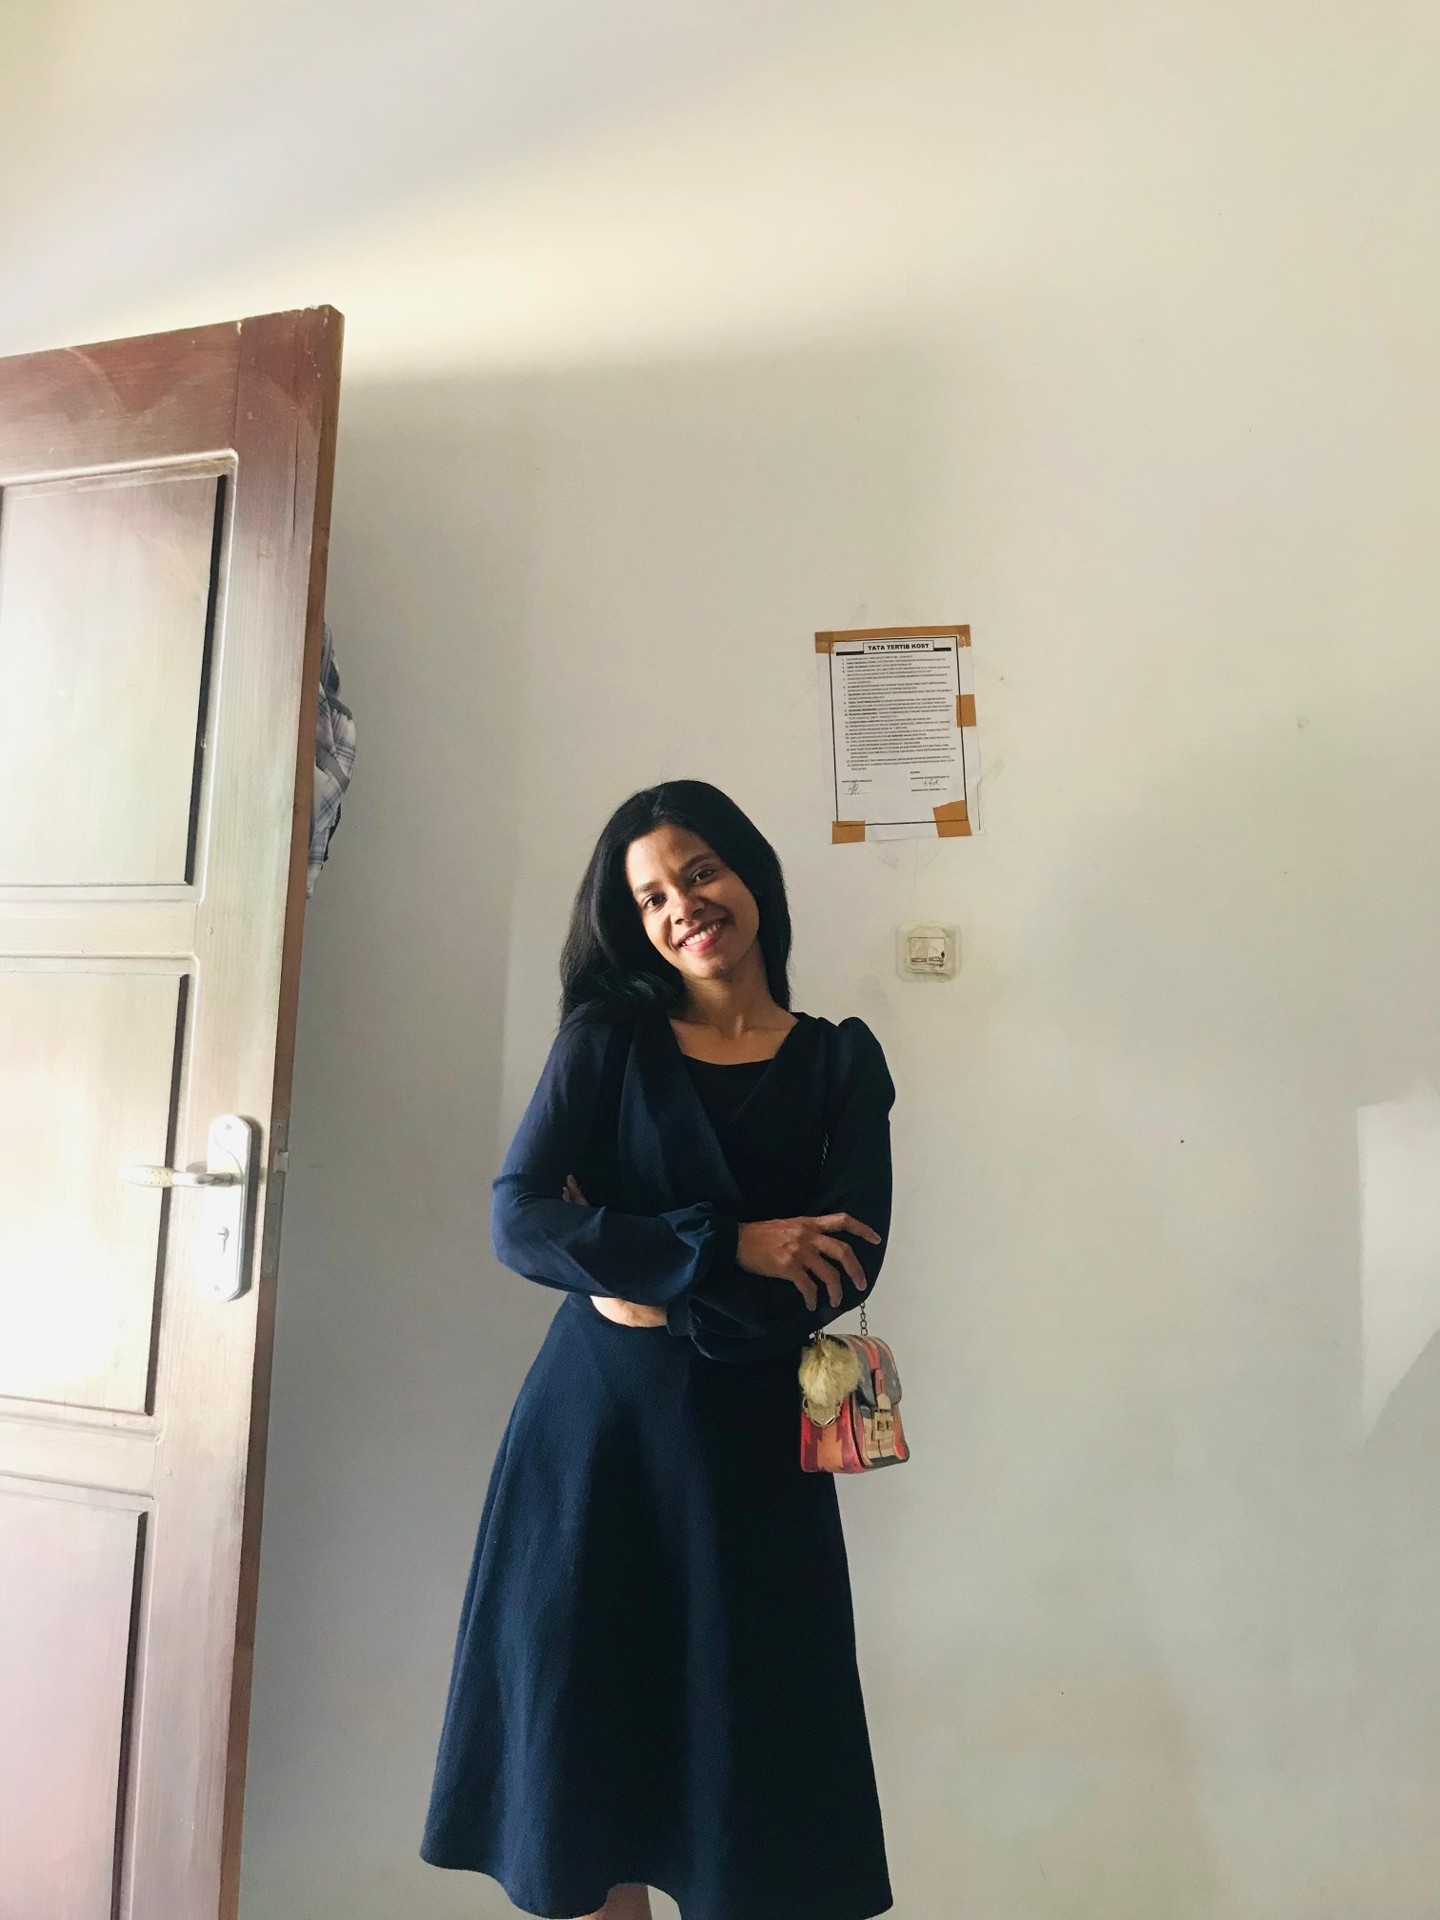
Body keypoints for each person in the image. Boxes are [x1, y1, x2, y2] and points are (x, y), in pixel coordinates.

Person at [421, 778, 897, 1920]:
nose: (683, 907)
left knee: (751, 1791)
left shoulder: (838, 1063)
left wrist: (645, 1287)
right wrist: (729, 1246)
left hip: (750, 1465)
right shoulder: (609, 1043)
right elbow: (519, 1220)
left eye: (699, 872)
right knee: (584, 1786)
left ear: (750, 875)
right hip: (594, 1452)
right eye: (650, 898)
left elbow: (843, 1271)